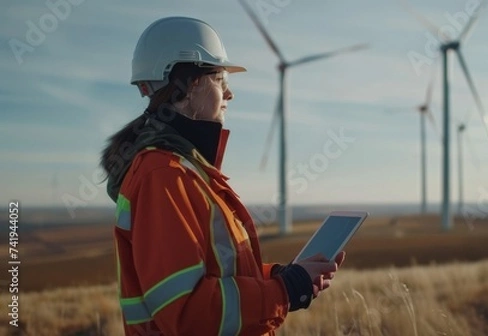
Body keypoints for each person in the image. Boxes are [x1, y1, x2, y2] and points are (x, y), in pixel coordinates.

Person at [100, 16, 346, 336]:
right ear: (190, 86)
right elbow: (188, 314)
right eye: (220, 80)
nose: (229, 95)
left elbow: (220, 272)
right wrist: (283, 291)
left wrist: (282, 277)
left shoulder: (188, 172)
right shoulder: (163, 177)